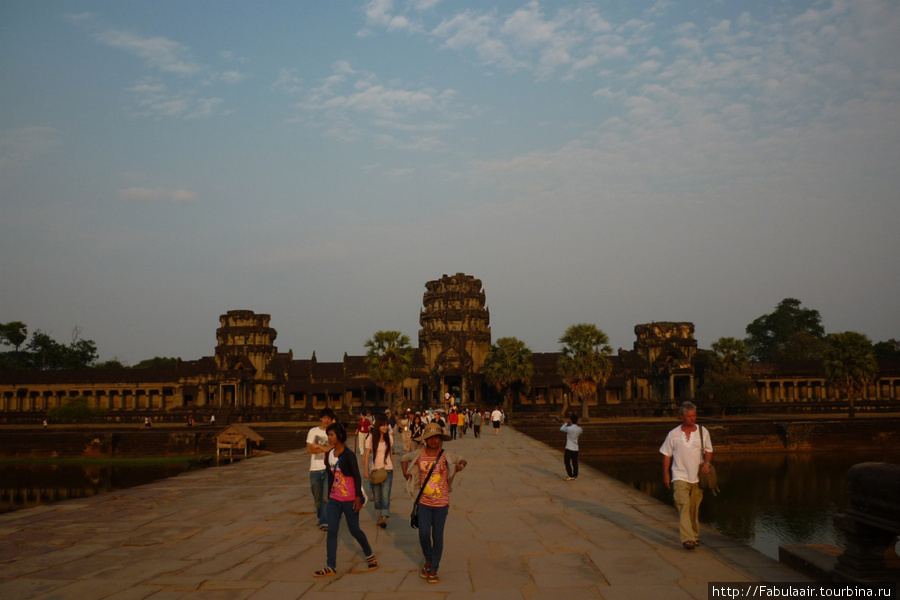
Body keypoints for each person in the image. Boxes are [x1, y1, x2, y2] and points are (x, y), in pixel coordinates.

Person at [401, 422, 467, 584]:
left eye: (436, 437)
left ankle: (433, 568)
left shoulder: (446, 455)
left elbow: (462, 460)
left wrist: (459, 467)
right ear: (426, 439)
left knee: (437, 536)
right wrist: (405, 472)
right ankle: (428, 559)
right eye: (430, 438)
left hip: (441, 503)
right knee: (423, 533)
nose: (433, 441)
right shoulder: (419, 454)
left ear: (440, 439)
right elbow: (404, 457)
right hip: (424, 502)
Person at [314, 422, 378, 577]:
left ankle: (369, 555)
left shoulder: (349, 455)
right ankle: (330, 565)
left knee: (354, 530)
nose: (329, 438)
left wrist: (357, 498)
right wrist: (329, 496)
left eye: (331, 435)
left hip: (349, 499)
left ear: (340, 436)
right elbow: (330, 476)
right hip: (335, 499)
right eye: (328, 435)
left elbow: (356, 476)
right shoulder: (329, 454)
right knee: (332, 531)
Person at [660, 401, 713, 550]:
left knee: (694, 509)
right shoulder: (674, 434)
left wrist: (707, 464)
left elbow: (708, 450)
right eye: (689, 416)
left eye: (694, 415)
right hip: (679, 475)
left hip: (697, 477)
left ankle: (694, 535)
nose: (692, 418)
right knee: (683, 505)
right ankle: (688, 539)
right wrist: (666, 475)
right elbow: (666, 455)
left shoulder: (703, 432)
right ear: (681, 417)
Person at [306, 408, 336, 531]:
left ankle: (324, 521)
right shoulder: (313, 431)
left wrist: (318, 446)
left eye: (328, 418)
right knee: (318, 499)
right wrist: (325, 448)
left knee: (325, 497)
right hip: (315, 469)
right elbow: (309, 449)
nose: (326, 420)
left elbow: (334, 447)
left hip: (328, 468)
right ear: (321, 418)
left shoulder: (333, 432)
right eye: (324, 418)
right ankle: (321, 515)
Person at [363, 413, 394, 528]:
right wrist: (366, 471)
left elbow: (390, 454)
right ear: (378, 426)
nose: (385, 427)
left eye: (386, 425)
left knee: (385, 495)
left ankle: (384, 517)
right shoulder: (371, 438)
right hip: (375, 470)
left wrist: (392, 465)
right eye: (383, 425)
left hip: (387, 469)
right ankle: (379, 516)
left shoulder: (389, 438)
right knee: (377, 496)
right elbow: (366, 455)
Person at [560, 414, 583, 481]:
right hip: (576, 448)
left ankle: (570, 475)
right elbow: (581, 432)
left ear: (571, 420)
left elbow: (561, 429)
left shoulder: (569, 428)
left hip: (569, 447)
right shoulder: (579, 429)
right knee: (575, 462)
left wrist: (566, 423)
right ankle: (575, 475)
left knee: (567, 461)